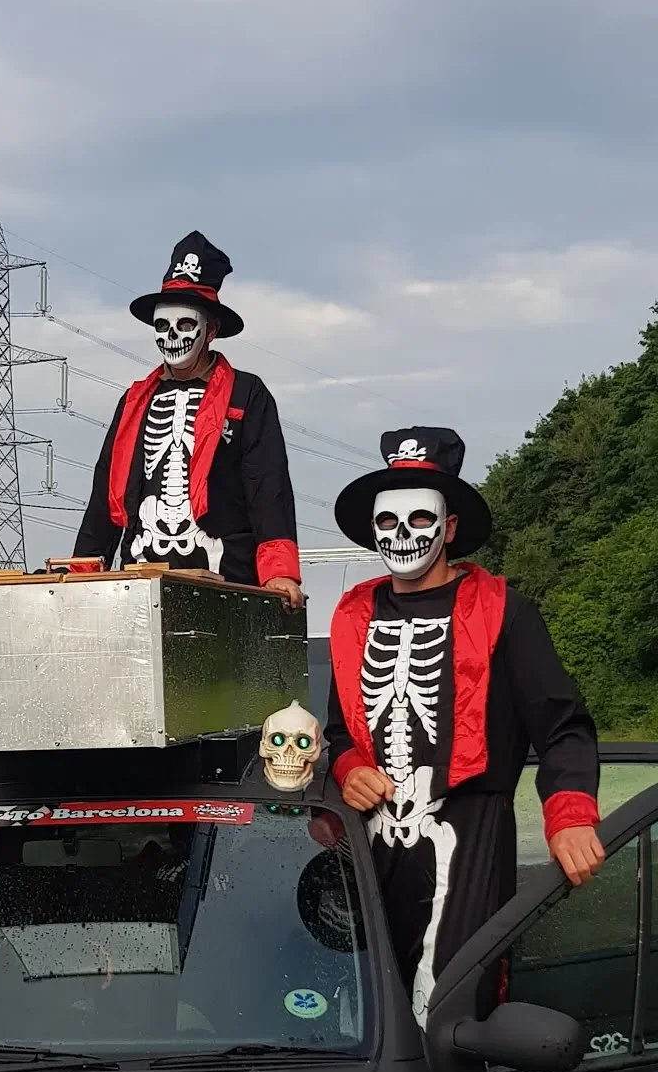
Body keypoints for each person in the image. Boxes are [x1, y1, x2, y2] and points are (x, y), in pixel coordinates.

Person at [325, 427, 604, 1024]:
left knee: (451, 1001)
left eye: (419, 519)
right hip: (370, 842)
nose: (400, 536)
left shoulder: (505, 610)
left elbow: (564, 727)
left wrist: (572, 816)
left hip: (467, 833)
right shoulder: (354, 614)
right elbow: (338, 734)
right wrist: (348, 768)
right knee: (360, 1005)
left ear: (449, 527)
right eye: (387, 521)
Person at [74, 231, 303, 607]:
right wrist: (82, 570)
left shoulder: (246, 394)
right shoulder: (135, 400)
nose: (171, 336)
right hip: (140, 583)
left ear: (210, 330)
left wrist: (279, 572)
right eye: (162, 326)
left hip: (226, 580)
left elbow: (269, 487)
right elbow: (104, 495)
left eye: (185, 325)